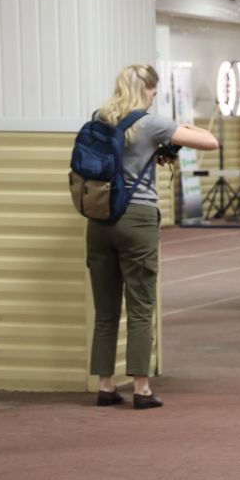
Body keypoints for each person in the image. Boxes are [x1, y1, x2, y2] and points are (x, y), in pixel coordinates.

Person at [86, 64, 219, 410]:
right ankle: (141, 388)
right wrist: (182, 128)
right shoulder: (152, 123)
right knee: (141, 306)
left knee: (105, 309)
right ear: (146, 90)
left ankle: (104, 385)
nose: (153, 97)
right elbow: (210, 142)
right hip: (137, 219)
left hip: (98, 220)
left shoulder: (99, 119)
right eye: (154, 92)